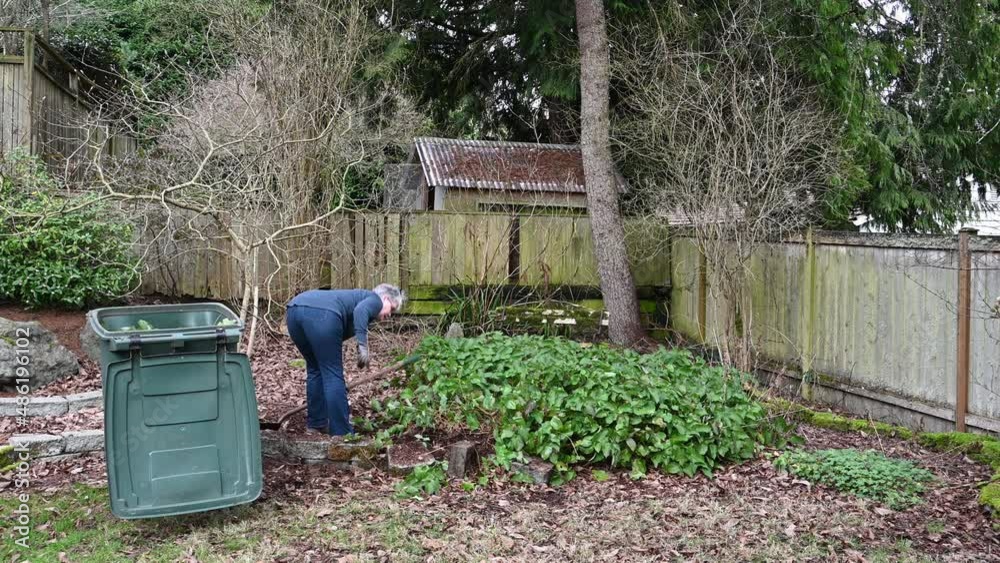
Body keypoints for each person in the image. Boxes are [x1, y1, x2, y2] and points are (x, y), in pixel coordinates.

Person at [285, 284, 405, 436]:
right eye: (392, 309)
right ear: (385, 298)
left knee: (315, 369)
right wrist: (362, 346)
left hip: (294, 312)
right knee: (332, 375)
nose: (390, 315)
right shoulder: (375, 299)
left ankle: (316, 424)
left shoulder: (356, 298)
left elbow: (352, 319)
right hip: (322, 314)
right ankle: (342, 433)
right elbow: (360, 311)